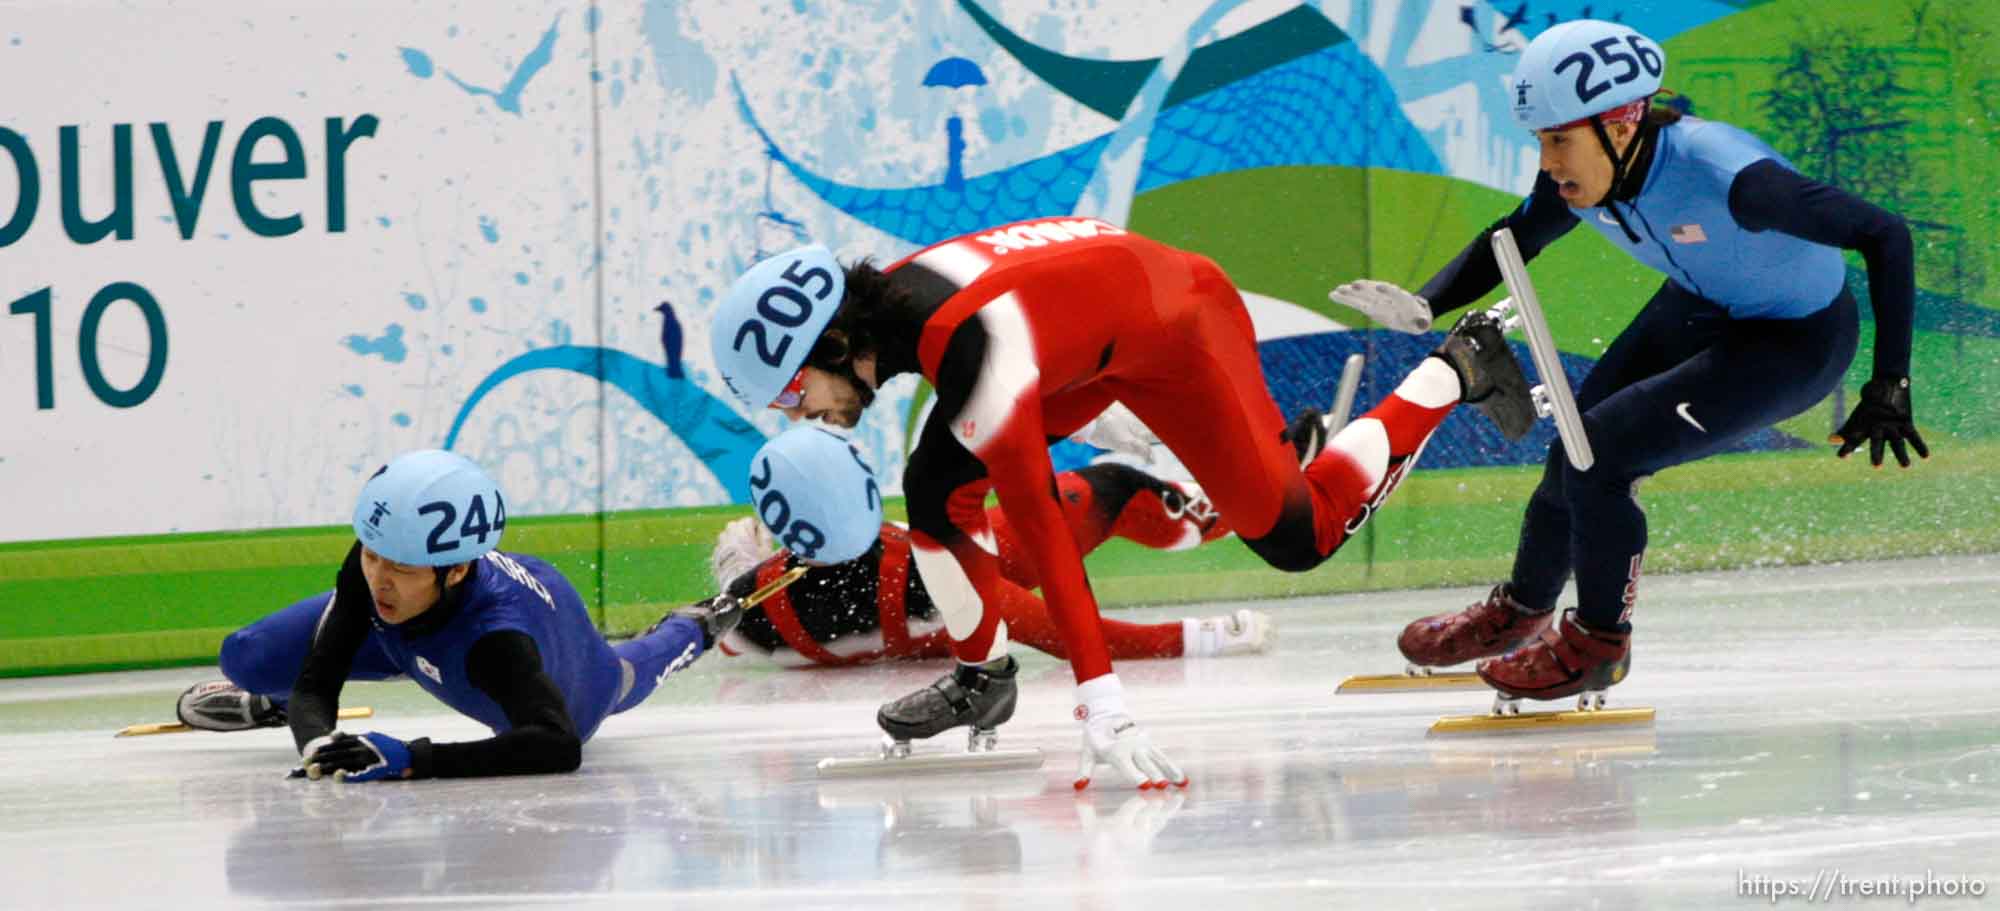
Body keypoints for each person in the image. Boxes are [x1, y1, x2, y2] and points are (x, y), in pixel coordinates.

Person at [709, 218, 1536, 789]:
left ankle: (1457, 366)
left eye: (790, 391)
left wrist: (1102, 701)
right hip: (1098, 321)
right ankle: (981, 675)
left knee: (1298, 533)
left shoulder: (966, 350)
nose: (796, 415)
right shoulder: (896, 302)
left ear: (835, 343)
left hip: (1178, 327)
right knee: (934, 487)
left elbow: (1040, 529)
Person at [1329, 20, 1925, 706]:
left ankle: (1598, 646)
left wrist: (1889, 384)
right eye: (1540, 141)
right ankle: (1522, 612)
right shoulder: (1581, 175)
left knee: (1602, 455)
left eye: (1559, 140)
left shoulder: (1729, 176)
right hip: (1702, 303)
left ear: (1619, 126)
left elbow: (1886, 232)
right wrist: (1424, 304)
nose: (1548, 162)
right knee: (1574, 447)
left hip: (1794, 339)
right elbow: (1513, 241)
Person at [174, 428, 882, 781]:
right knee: (246, 656)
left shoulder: (498, 646)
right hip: (422, 641)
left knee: (639, 663)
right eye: (371, 554)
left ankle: (716, 608)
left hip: (570, 674)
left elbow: (558, 746)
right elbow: (315, 681)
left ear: (453, 571)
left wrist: (408, 758)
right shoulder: (381, 565)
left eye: (402, 565)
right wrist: (317, 740)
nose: (378, 576)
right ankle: (294, 689)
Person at [707, 461, 1269, 667]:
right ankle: (1256, 506)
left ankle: (1251, 503)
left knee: (1110, 488)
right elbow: (1072, 639)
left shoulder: (753, 621)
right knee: (1068, 625)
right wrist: (1202, 638)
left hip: (928, 559)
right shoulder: (935, 586)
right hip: (931, 587)